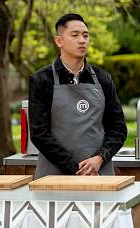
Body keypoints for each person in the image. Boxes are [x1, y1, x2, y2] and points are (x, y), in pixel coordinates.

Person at [29, 13, 127, 178]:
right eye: (75, 35)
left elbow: (118, 129)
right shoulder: (41, 79)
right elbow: (40, 133)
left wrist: (99, 158)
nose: (82, 40)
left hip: (98, 172)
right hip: (55, 176)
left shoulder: (103, 79)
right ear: (59, 41)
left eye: (85, 35)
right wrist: (77, 169)